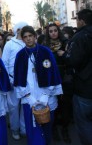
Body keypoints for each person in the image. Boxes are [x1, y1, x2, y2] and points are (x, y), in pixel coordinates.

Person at [14, 26, 63, 145]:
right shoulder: (20, 55)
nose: (28, 39)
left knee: (47, 126)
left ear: (35, 37)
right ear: (22, 39)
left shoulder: (45, 52)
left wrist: (46, 95)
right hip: (29, 96)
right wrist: (29, 97)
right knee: (31, 127)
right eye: (25, 37)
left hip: (46, 95)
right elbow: (18, 78)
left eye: (30, 36)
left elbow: (53, 73)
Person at [64, 9, 92, 145]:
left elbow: (73, 60)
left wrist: (64, 56)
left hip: (84, 88)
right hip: (85, 86)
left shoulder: (80, 37)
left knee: (84, 123)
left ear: (81, 21)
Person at [42, 23, 70, 142]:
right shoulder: (45, 46)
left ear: (58, 31)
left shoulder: (66, 44)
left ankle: (65, 129)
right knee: (53, 105)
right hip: (51, 79)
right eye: (51, 31)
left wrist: (65, 55)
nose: (53, 33)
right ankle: (53, 129)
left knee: (65, 105)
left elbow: (72, 59)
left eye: (55, 30)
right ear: (48, 33)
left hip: (64, 77)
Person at [2, 21, 28, 140]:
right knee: (13, 107)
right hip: (13, 80)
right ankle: (15, 129)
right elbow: (5, 63)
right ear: (18, 30)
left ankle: (24, 128)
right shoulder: (10, 44)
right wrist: (8, 79)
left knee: (25, 105)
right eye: (23, 29)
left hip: (27, 81)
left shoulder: (28, 43)